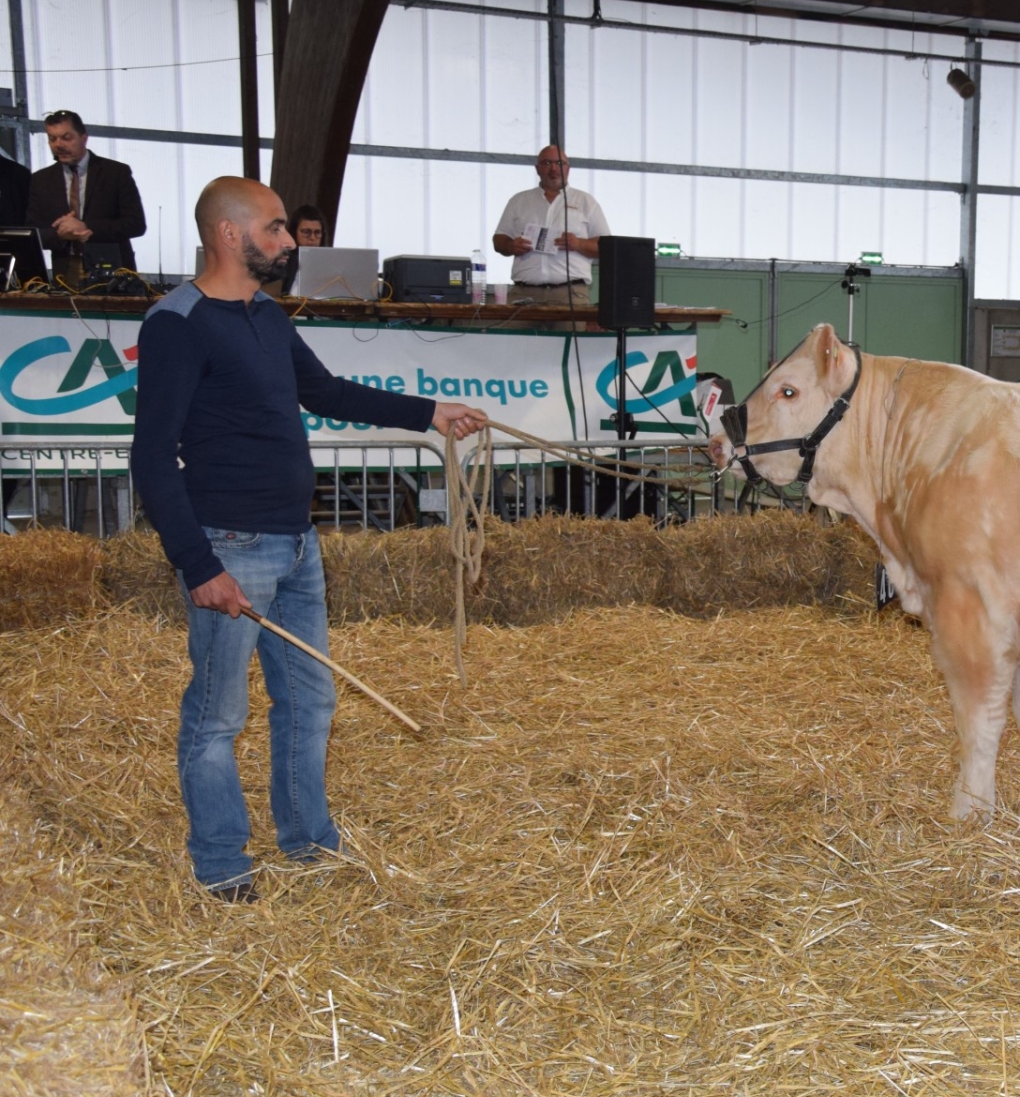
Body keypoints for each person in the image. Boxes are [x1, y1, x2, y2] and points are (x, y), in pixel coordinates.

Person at [129, 176, 487, 901]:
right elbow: (150, 455)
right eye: (276, 228)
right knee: (217, 716)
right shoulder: (178, 322)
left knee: (311, 700)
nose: (290, 242)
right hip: (228, 544)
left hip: (296, 544)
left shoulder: (265, 314)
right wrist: (198, 563)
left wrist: (431, 413)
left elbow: (325, 392)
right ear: (230, 235)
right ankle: (223, 862)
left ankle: (307, 840)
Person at [24, 110, 146, 279]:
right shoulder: (41, 179)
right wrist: (59, 235)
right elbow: (32, 233)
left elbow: (136, 224)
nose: (58, 145)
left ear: (84, 137)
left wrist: (86, 227)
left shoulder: (115, 172)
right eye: (52, 139)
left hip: (113, 274)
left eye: (66, 138)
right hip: (64, 273)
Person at [492, 144, 610, 305]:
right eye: (547, 163)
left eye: (560, 163)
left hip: (571, 293)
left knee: (570, 331)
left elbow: (607, 247)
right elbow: (498, 240)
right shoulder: (519, 200)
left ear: (568, 168)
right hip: (524, 292)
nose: (553, 168)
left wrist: (578, 243)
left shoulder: (586, 202)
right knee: (507, 330)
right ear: (537, 169)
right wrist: (511, 245)